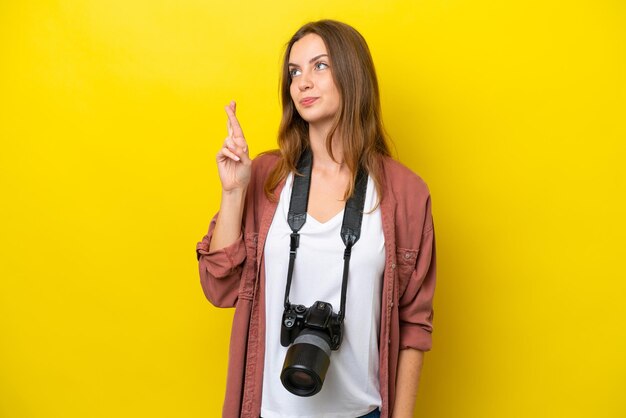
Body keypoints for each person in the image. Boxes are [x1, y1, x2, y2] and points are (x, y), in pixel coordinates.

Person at [196, 19, 436, 418]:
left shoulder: (406, 194)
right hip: (269, 411)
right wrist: (234, 191)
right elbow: (218, 288)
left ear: (352, 73)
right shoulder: (265, 177)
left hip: (362, 412)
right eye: (294, 72)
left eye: (319, 66)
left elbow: (414, 325)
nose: (303, 82)